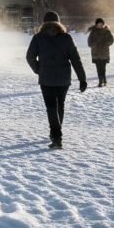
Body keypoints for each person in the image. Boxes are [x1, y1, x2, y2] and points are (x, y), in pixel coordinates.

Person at [26, 11, 87, 148]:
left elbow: (30, 57)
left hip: (46, 78)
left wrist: (38, 69)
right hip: (63, 79)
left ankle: (56, 136)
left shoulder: (38, 38)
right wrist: (82, 79)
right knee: (60, 105)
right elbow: (76, 59)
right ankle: (56, 132)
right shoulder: (66, 38)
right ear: (58, 22)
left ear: (44, 23)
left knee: (51, 107)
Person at [87, 18, 114, 86]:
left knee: (103, 67)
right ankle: (101, 81)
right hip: (96, 53)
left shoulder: (107, 31)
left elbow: (111, 40)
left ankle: (103, 79)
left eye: (101, 24)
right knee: (98, 68)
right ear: (96, 24)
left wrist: (106, 43)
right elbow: (89, 43)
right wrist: (95, 44)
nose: (100, 25)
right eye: (99, 24)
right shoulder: (93, 32)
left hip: (104, 52)